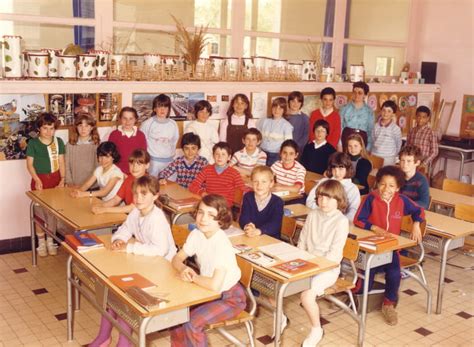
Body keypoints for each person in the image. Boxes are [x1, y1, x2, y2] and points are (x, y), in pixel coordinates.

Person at [88, 176, 176, 347]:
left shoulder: (157, 218)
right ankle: (104, 337)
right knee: (112, 292)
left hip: (163, 270)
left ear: (156, 196)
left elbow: (160, 250)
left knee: (125, 299)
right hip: (147, 264)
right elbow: (126, 228)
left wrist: (129, 248)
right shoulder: (136, 211)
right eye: (135, 194)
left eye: (144, 194)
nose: (138, 198)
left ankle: (124, 342)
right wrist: (119, 239)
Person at [170, 194, 246, 346]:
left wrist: (192, 277)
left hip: (230, 297)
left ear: (221, 220)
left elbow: (215, 285)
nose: (203, 219)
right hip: (207, 291)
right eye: (200, 212)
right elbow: (176, 259)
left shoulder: (221, 244)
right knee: (175, 316)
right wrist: (184, 268)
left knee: (192, 323)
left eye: (211, 215)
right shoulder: (196, 234)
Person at [354, 165, 425, 326]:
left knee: (394, 274)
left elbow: (419, 211)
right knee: (366, 278)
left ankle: (389, 304)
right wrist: (374, 228)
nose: (386, 189)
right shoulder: (371, 198)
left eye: (392, 186)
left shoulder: (401, 200)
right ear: (377, 183)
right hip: (371, 248)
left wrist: (416, 224)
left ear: (398, 188)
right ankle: (355, 295)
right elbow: (359, 219)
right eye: (383, 184)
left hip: (391, 248)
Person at [298, 180, 349, 346]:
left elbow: (334, 255)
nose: (323, 202)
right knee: (276, 285)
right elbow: (302, 241)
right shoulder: (313, 214)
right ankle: (281, 319)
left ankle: (316, 329)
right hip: (307, 263)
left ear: (339, 200)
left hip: (328, 268)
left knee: (306, 296)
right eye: (320, 197)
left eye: (328, 198)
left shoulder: (341, 221)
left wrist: (313, 266)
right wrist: (301, 262)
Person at [26, 113, 66, 257]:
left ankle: (51, 240)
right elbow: (30, 165)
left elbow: (61, 162)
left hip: (55, 180)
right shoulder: (33, 143)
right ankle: (41, 242)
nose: (48, 132)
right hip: (39, 180)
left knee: (53, 213)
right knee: (39, 213)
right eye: (45, 128)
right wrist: (36, 179)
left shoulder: (59, 141)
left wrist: (62, 179)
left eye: (51, 128)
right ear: (39, 128)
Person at [92, 149, 150, 215]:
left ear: (147, 165)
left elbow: (132, 208)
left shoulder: (147, 183)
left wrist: (105, 210)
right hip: (133, 216)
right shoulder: (129, 179)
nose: (134, 167)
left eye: (139, 164)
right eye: (131, 164)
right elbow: (116, 199)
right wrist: (101, 206)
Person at [189, 142, 247, 207]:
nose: (220, 157)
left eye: (223, 154)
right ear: (213, 155)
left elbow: (243, 189)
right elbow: (193, 186)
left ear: (229, 157)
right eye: (217, 154)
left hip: (224, 207)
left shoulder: (234, 173)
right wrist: (202, 193)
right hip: (210, 204)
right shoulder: (207, 170)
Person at [306, 152, 360, 222]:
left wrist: (337, 219)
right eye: (334, 169)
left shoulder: (352, 189)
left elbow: (353, 212)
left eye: (341, 169)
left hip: (339, 222)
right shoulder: (323, 182)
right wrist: (323, 211)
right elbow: (309, 201)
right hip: (319, 217)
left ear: (347, 169)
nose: (337, 173)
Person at [239, 166, 284, 240]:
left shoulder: (277, 202)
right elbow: (243, 217)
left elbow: (275, 225)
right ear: (251, 182)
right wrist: (247, 225)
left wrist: (258, 231)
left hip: (270, 240)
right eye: (256, 181)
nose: (259, 185)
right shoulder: (248, 197)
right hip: (251, 237)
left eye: (264, 182)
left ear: (271, 183)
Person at [140, 94, 179, 176]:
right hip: (153, 162)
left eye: (165, 107)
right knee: (153, 186)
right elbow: (142, 143)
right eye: (159, 106)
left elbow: (174, 141)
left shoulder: (173, 124)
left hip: (169, 161)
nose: (162, 109)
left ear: (169, 109)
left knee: (169, 187)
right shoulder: (147, 124)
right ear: (154, 108)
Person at [108, 106, 147, 175]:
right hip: (117, 172)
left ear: (135, 120)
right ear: (120, 119)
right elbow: (110, 156)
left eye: (131, 119)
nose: (127, 122)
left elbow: (143, 156)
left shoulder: (141, 135)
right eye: (124, 118)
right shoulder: (114, 135)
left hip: (136, 171)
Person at [65, 113, 100, 188]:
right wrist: (69, 182)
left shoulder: (96, 145)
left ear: (92, 127)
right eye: (80, 126)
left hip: (92, 186)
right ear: (76, 127)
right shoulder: (70, 145)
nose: (83, 129)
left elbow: (98, 168)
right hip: (74, 186)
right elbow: (66, 166)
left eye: (86, 126)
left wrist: (87, 185)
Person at [257, 97, 293, 166]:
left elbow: (288, 144)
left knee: (272, 173)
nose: (277, 110)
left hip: (276, 155)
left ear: (284, 110)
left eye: (280, 108)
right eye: (275, 107)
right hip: (262, 152)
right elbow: (257, 135)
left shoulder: (286, 125)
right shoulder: (264, 120)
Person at [340, 82, 375, 150]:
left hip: (362, 140)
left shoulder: (369, 111)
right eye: (354, 92)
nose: (356, 95)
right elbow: (340, 127)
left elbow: (370, 131)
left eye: (360, 93)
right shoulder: (344, 108)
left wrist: (368, 148)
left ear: (365, 95)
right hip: (346, 139)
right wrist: (339, 144)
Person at [399, 145, 430, 209]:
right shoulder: (396, 176)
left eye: (409, 161)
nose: (405, 164)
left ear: (417, 163)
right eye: (402, 160)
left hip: (411, 212)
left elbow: (424, 204)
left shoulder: (422, 181)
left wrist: (405, 204)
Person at [371, 100, 402, 166]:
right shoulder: (375, 126)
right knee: (375, 175)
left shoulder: (396, 128)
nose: (385, 113)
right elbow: (373, 140)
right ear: (381, 111)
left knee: (387, 175)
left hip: (389, 158)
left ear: (393, 114)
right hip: (376, 155)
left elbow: (398, 145)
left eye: (389, 111)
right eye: (384, 110)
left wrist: (393, 155)